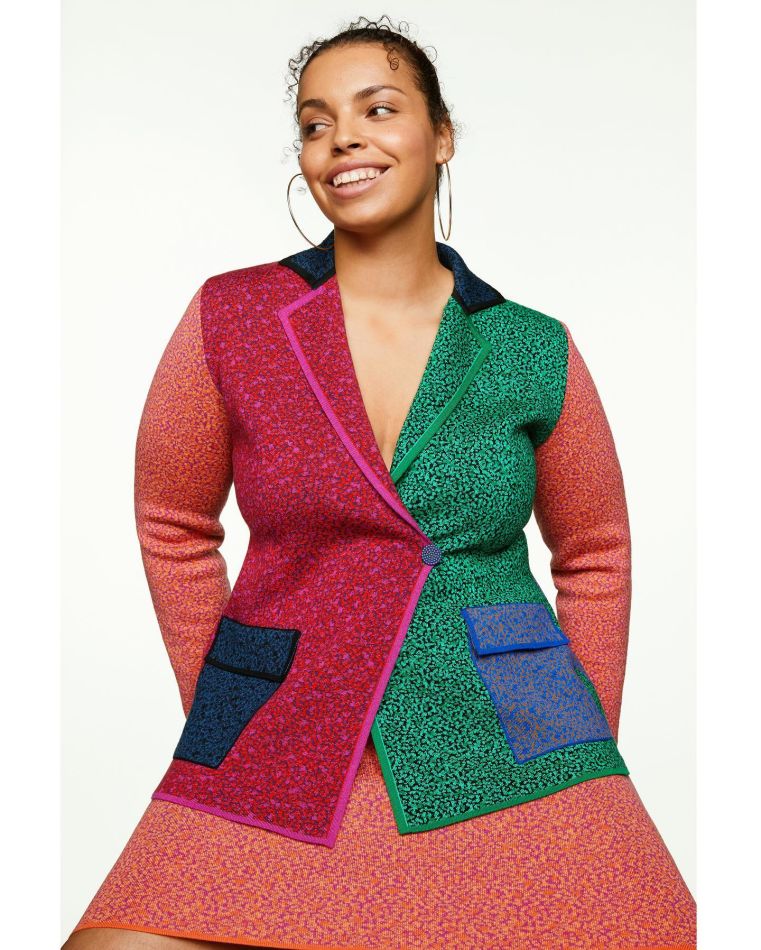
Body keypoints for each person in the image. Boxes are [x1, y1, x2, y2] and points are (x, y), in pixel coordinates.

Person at [64, 15, 697, 949]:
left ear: (441, 136)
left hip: (515, 730)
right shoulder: (233, 316)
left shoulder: (530, 345)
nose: (342, 139)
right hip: (285, 729)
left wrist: (580, 739)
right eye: (315, 123)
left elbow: (596, 552)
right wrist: (230, 705)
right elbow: (171, 521)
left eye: (377, 109)